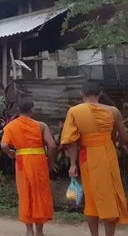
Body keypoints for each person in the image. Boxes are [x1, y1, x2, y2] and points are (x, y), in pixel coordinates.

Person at [61, 82, 128, 236]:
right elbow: (124, 137)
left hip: (88, 157)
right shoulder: (113, 111)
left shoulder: (74, 111)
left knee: (91, 198)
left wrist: (72, 164)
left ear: (81, 95)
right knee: (108, 196)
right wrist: (116, 144)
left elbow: (71, 141)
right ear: (100, 94)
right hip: (108, 155)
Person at [1, 101, 56, 236]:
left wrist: (10, 153)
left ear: (18, 111)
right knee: (40, 194)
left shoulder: (11, 126)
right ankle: (39, 231)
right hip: (39, 162)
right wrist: (50, 163)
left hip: (21, 162)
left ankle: (29, 230)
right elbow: (52, 146)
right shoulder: (41, 125)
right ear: (32, 110)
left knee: (25, 193)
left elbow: (4, 145)